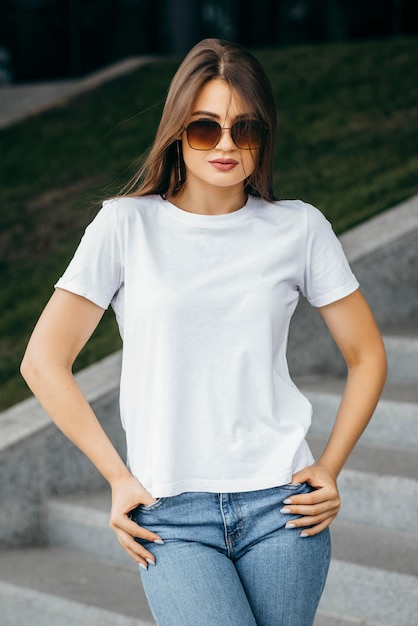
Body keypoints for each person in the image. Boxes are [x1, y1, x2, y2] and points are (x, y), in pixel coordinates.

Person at [21, 38, 387, 626]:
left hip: (282, 507)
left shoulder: (299, 228)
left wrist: (331, 466)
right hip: (169, 513)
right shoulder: (125, 225)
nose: (225, 145)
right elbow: (42, 362)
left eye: (244, 128)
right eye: (204, 128)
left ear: (263, 135)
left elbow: (367, 355)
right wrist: (117, 478)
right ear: (176, 130)